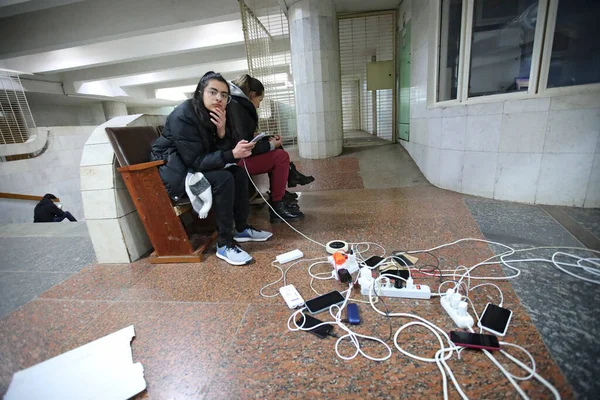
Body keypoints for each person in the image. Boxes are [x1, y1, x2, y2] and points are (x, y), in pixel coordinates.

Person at [151, 71, 273, 266]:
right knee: (223, 178)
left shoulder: (216, 114)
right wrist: (231, 153)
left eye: (224, 95)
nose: (219, 98)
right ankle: (224, 244)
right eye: (213, 92)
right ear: (200, 92)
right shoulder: (183, 116)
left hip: (193, 164)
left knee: (238, 173)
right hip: (175, 171)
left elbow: (214, 154)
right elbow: (195, 161)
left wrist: (222, 132)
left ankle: (241, 228)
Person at [228, 74, 314, 224]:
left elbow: (240, 137)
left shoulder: (235, 105)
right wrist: (270, 145)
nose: (259, 105)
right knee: (280, 156)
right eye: (259, 100)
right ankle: (277, 206)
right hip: (235, 162)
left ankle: (289, 178)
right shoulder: (238, 107)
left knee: (273, 144)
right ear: (252, 94)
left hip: (234, 158)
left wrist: (264, 140)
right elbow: (245, 145)